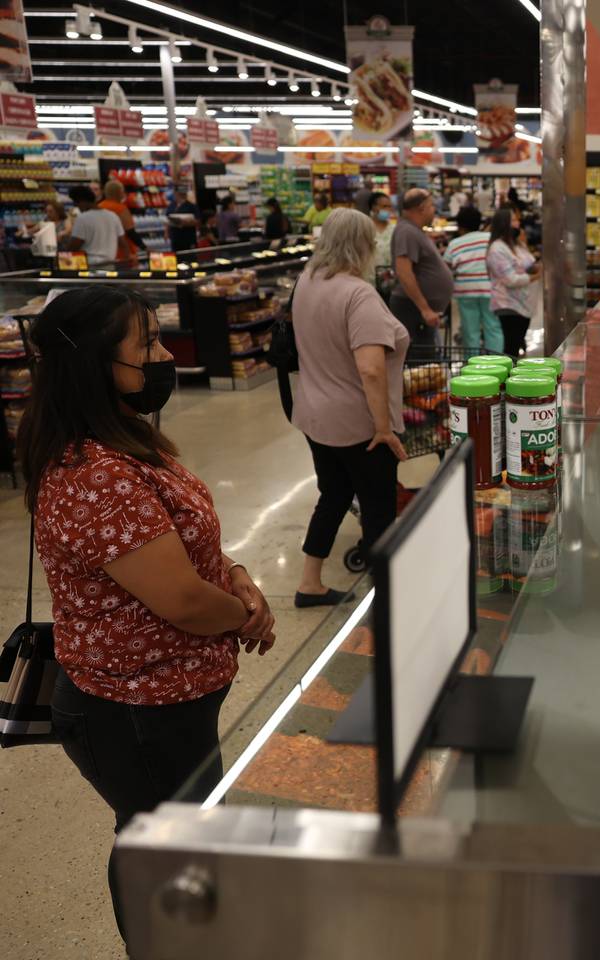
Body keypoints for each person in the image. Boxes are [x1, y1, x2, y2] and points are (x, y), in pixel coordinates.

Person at [16, 285, 276, 943]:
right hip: (133, 709)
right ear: (94, 365)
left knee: (163, 832)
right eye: (148, 345)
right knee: (165, 841)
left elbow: (188, 543)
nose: (165, 355)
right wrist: (244, 614)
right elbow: (183, 600)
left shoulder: (124, 439)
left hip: (161, 699)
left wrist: (239, 577)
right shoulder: (93, 473)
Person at [290, 208, 410, 599]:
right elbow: (371, 369)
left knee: (335, 494)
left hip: (315, 415)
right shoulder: (357, 293)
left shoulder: (307, 281)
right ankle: (385, 597)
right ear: (363, 246)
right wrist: (383, 428)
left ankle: (309, 582)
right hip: (358, 424)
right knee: (378, 509)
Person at [388, 187, 453, 355]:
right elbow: (404, 272)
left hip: (419, 312)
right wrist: (425, 309)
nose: (434, 211)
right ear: (422, 208)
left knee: (425, 364)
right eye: (432, 206)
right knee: (419, 365)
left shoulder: (413, 231)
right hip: (412, 310)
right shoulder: (407, 231)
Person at [442, 205, 500, 355]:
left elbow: (446, 269)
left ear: (460, 226)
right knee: (493, 327)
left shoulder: (455, 244)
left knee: (470, 331)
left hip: (465, 291)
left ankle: (472, 368)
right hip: (490, 290)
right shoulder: (490, 239)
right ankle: (497, 363)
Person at [486, 205, 540, 357]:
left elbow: (528, 263)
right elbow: (511, 279)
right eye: (514, 220)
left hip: (523, 305)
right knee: (511, 348)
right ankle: (508, 379)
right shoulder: (497, 249)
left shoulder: (516, 244)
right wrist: (536, 276)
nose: (518, 223)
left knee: (515, 346)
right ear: (505, 224)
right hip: (509, 305)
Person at [65, 185, 125, 268]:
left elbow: (74, 245)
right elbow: (123, 242)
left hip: (90, 267)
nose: (78, 208)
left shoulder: (83, 218)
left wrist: (63, 255)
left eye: (77, 204)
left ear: (82, 202)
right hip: (110, 265)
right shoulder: (113, 216)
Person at [98, 180, 145, 268]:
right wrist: (144, 247)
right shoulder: (120, 209)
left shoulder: (99, 207)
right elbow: (130, 231)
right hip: (123, 253)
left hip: (104, 252)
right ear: (119, 192)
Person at [167, 189, 199, 254]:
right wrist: (166, 232)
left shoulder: (191, 206)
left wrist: (185, 223)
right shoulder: (171, 205)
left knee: (189, 257)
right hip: (175, 238)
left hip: (188, 238)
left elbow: (198, 221)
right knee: (177, 257)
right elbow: (167, 219)